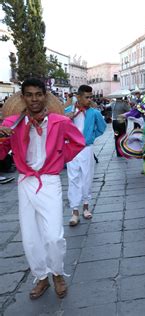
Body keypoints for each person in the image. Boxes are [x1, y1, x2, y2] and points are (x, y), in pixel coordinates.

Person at [0, 78, 85, 299]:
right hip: (25, 182)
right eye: (29, 94)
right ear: (23, 97)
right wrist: (1, 138)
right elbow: (1, 153)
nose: (34, 99)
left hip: (49, 180)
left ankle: (57, 273)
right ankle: (41, 277)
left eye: (38, 94)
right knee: (30, 236)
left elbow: (78, 143)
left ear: (45, 96)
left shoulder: (59, 121)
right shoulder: (11, 123)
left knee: (54, 235)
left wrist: (58, 159)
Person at [65, 85, 106, 225]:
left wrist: (90, 138)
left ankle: (86, 206)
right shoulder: (67, 111)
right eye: (87, 97)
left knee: (87, 176)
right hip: (71, 148)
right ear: (79, 96)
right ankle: (74, 211)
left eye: (91, 97)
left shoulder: (94, 113)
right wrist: (67, 119)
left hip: (86, 148)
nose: (89, 100)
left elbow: (102, 127)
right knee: (73, 178)